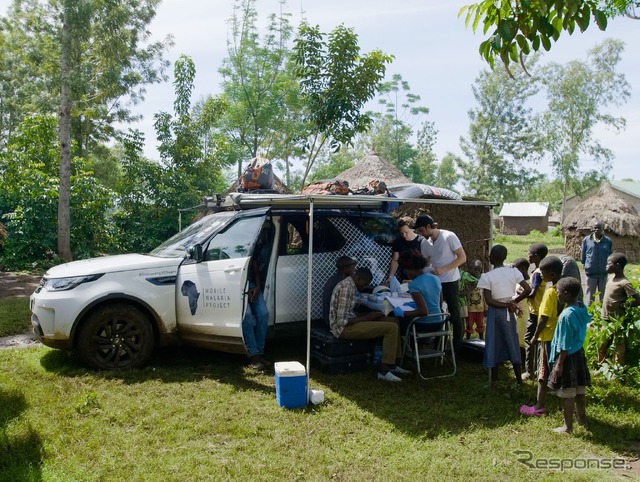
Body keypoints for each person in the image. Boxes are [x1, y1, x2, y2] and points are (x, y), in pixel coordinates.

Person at [329, 267, 411, 382]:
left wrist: (369, 315)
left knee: (393, 321)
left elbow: (349, 313)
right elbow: (342, 321)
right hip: (344, 329)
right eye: (364, 283)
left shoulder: (351, 285)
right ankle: (383, 371)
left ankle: (393, 364)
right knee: (391, 328)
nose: (365, 287)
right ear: (357, 278)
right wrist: (367, 317)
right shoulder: (346, 289)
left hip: (351, 321)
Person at [478, 245, 531, 388]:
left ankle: (493, 381)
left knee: (494, 342)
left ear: (491, 258)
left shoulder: (487, 276)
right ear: (505, 257)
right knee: (512, 341)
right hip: (509, 312)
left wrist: (508, 304)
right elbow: (528, 289)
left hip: (496, 311)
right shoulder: (513, 272)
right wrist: (513, 302)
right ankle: (519, 380)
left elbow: (489, 301)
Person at [414, 214, 467, 353]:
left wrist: (443, 269)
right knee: (437, 312)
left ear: (429, 226)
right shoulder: (424, 243)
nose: (420, 234)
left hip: (450, 280)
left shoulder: (449, 236)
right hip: (435, 282)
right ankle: (438, 344)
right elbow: (428, 262)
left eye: (421, 230)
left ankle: (457, 347)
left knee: (454, 313)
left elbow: (462, 258)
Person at [520, 256, 564, 417]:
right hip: (560, 336)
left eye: (543, 273)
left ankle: (539, 406)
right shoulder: (565, 289)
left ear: (551, 274)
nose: (541, 275)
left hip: (546, 337)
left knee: (542, 372)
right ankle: (563, 401)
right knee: (559, 368)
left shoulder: (550, 293)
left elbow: (543, 318)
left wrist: (534, 337)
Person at [547, 277, 591, 434]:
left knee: (568, 393)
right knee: (580, 389)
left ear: (566, 294)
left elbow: (564, 342)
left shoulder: (566, 315)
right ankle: (582, 419)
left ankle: (567, 427)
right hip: (579, 353)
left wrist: (559, 363)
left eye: (558, 292)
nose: (557, 295)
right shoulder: (581, 307)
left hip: (568, 356)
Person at [242, 223, 273, 372]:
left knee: (263, 314)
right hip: (239, 287)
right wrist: (244, 291)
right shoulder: (236, 247)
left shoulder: (253, 247)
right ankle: (253, 355)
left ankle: (260, 352)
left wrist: (258, 287)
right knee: (246, 316)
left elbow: (255, 270)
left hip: (253, 285)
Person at [599, 253, 640, 365]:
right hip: (606, 319)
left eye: (609, 264)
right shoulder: (611, 278)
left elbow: (637, 300)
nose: (606, 266)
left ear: (617, 266)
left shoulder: (624, 283)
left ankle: (617, 370)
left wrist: (624, 305)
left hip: (618, 321)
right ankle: (601, 366)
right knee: (602, 345)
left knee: (618, 348)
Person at [393, 250, 443, 334]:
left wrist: (403, 313)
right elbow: (439, 303)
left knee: (397, 323)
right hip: (439, 323)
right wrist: (414, 305)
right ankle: (421, 344)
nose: (406, 274)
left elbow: (423, 311)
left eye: (405, 271)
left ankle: (406, 346)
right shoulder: (436, 279)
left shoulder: (414, 285)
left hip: (424, 324)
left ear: (410, 268)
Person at [523, 242, 548, 381]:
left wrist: (520, 295)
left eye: (530, 255)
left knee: (529, 340)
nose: (528, 257)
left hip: (535, 312)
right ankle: (539, 370)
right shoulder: (542, 271)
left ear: (536, 256)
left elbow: (532, 293)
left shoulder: (538, 273)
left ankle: (529, 371)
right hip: (540, 310)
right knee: (539, 341)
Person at [385, 216, 424, 285]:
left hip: (419, 277)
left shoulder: (422, 241)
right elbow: (395, 260)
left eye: (406, 232)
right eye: (402, 233)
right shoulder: (398, 241)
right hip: (404, 276)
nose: (404, 235)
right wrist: (390, 277)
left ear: (412, 229)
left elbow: (426, 261)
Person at [581, 221, 613, 304]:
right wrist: (586, 265)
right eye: (595, 228)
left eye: (599, 228)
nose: (596, 229)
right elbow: (583, 256)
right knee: (589, 298)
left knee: (604, 298)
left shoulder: (608, 241)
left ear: (603, 229)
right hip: (591, 273)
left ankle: (602, 315)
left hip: (603, 273)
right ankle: (589, 316)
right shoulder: (587, 240)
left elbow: (610, 255)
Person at [322, 256, 357, 327]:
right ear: (345, 269)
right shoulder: (341, 283)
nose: (354, 270)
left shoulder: (335, 279)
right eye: (352, 268)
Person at [512, 257, 531, 362]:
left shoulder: (529, 282)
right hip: (517, 314)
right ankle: (518, 358)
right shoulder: (518, 282)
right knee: (517, 336)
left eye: (515, 269)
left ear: (523, 269)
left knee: (523, 339)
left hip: (524, 315)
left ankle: (523, 361)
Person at [465, 260, 486, 340]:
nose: (477, 271)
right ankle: (468, 339)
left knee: (480, 324)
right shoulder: (467, 279)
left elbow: (485, 294)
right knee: (469, 325)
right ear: (470, 269)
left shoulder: (483, 279)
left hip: (480, 308)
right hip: (470, 308)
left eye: (479, 270)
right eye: (475, 269)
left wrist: (486, 308)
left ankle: (481, 339)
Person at [458, 263, 479, 336]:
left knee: (460, 322)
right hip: (450, 300)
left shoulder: (463, 274)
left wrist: (466, 291)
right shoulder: (448, 273)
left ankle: (459, 341)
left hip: (461, 302)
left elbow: (476, 281)